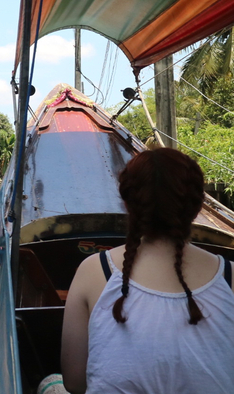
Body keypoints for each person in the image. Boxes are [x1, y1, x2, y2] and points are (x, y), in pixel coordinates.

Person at [60, 148, 234, 394]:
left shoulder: (93, 270)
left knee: (51, 385)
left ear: (127, 203)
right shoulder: (230, 277)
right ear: (197, 207)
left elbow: (74, 382)